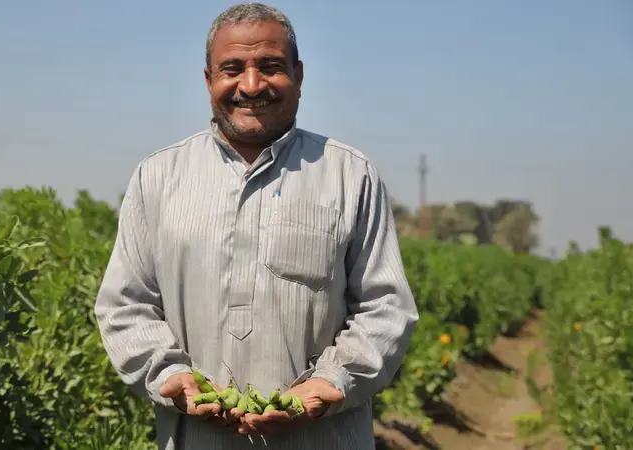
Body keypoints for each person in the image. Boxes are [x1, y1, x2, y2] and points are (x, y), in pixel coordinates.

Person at [94, 3, 419, 449]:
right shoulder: (158, 177)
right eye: (232, 69)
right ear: (208, 79)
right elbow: (125, 307)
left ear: (299, 76)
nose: (251, 85)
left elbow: (386, 308)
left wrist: (331, 382)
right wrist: (169, 374)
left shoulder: (350, 175)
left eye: (270, 67)